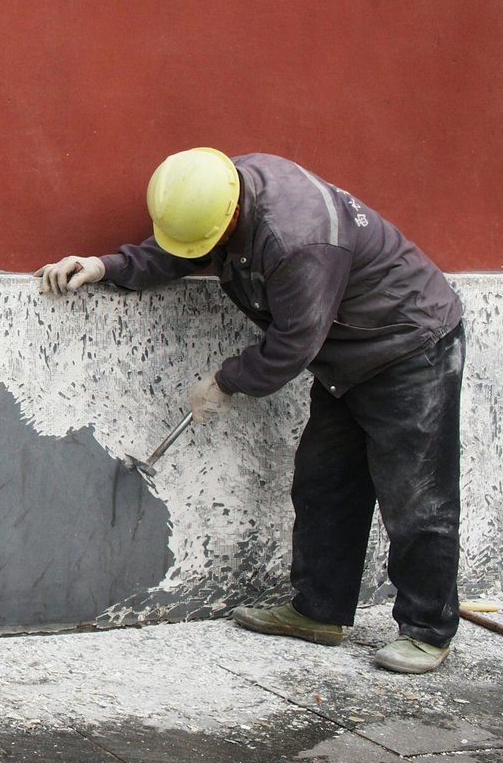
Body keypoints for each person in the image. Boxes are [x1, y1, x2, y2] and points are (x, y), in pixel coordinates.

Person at [37, 148, 465, 674]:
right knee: (325, 483)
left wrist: (225, 382)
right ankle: (319, 612)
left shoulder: (299, 241)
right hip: (348, 356)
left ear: (233, 215)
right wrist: (106, 266)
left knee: (416, 497)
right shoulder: (216, 189)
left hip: (409, 348)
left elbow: (294, 344)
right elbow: (183, 250)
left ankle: (426, 631)